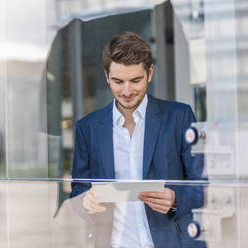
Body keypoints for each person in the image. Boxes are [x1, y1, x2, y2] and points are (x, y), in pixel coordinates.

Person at [70, 31, 205, 248]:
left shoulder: (179, 117)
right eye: (117, 81)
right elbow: (78, 190)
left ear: (149, 73)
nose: (127, 90)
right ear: (106, 76)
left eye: (135, 80)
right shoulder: (88, 128)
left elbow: (203, 184)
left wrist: (176, 198)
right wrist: (85, 201)